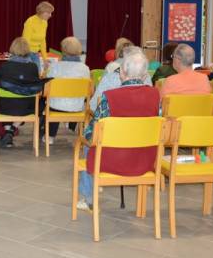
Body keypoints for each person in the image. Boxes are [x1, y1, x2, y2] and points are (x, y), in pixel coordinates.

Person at [77, 50, 160, 210]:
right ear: (145, 75)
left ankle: (89, 199)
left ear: (121, 72)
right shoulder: (156, 96)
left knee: (88, 144)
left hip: (111, 161)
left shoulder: (109, 97)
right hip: (145, 160)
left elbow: (92, 134)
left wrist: (83, 137)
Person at [0, 37, 48, 148]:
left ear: (12, 49)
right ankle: (11, 131)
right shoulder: (33, 67)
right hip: (26, 108)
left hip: (5, 107)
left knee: (4, 99)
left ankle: (9, 132)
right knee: (36, 102)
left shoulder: (5, 66)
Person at [41, 37, 90, 144]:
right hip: (77, 107)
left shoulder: (55, 67)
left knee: (48, 102)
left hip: (56, 107)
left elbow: (46, 87)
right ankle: (75, 129)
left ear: (63, 49)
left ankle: (49, 136)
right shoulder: (85, 68)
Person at [90, 45, 152, 111]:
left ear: (122, 71)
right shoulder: (151, 86)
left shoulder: (109, 80)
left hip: (113, 117)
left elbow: (93, 106)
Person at [22, 1, 54, 71]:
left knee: (38, 73)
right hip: (26, 53)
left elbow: (42, 41)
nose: (50, 15)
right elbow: (25, 41)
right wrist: (26, 58)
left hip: (35, 53)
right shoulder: (30, 21)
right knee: (30, 74)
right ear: (42, 12)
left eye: (51, 13)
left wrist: (45, 59)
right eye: (48, 13)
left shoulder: (45, 22)